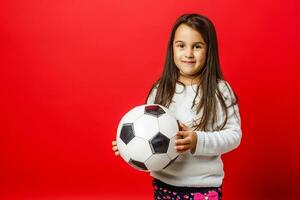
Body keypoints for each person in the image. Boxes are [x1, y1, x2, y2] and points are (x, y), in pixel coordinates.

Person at [112, 13, 242, 200]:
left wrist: (198, 140)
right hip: (164, 185)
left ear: (209, 50)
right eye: (181, 46)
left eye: (197, 46)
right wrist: (129, 144)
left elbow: (234, 135)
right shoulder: (161, 88)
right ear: (172, 48)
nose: (188, 54)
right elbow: (145, 131)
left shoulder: (219, 90)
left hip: (203, 186)